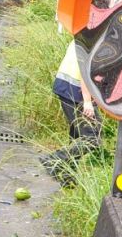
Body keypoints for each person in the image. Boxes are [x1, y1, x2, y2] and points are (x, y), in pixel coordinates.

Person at [41, 39, 101, 181]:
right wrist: (87, 101)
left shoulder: (82, 33)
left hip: (65, 87)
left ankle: (68, 176)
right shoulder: (94, 40)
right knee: (92, 138)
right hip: (76, 92)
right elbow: (85, 72)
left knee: (77, 136)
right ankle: (54, 160)